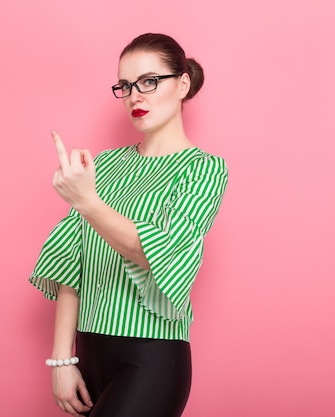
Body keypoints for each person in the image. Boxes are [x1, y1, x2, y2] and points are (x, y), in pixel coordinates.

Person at [29, 33, 228, 417]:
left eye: (150, 82)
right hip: (88, 354)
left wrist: (86, 201)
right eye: (126, 85)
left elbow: (159, 252)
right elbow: (71, 262)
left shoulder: (204, 168)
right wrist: (61, 360)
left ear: (182, 83)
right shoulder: (104, 165)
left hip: (152, 358)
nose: (136, 96)